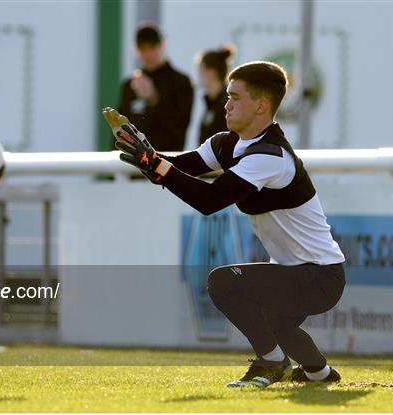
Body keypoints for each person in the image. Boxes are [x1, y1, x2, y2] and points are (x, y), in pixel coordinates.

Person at [103, 61, 346, 388]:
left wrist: (156, 166)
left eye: (235, 97)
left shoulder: (270, 157)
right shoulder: (226, 143)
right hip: (301, 272)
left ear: (261, 106)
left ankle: (271, 363)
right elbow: (179, 168)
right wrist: (148, 154)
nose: (227, 103)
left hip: (320, 276)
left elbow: (209, 200)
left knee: (223, 283)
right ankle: (321, 374)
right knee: (279, 326)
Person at [117, 24, 193, 151]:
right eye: (142, 49)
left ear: (162, 44)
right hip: (133, 166)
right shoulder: (129, 85)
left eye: (152, 47)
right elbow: (120, 127)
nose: (148, 54)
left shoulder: (180, 82)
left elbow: (179, 126)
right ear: (135, 49)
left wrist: (154, 98)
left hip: (168, 163)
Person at [196, 44, 235, 145]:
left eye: (200, 69)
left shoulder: (227, 103)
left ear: (211, 72)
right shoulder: (212, 102)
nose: (197, 73)